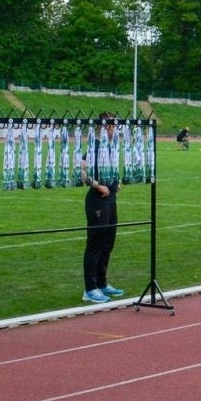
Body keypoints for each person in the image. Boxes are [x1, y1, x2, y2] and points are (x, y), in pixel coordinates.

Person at [80, 114, 125, 304]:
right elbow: (80, 171)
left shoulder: (110, 147)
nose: (115, 129)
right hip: (97, 202)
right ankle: (90, 289)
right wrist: (97, 185)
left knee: (108, 243)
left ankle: (102, 283)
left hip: (111, 200)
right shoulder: (94, 146)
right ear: (105, 127)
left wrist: (118, 181)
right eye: (113, 125)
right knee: (96, 244)